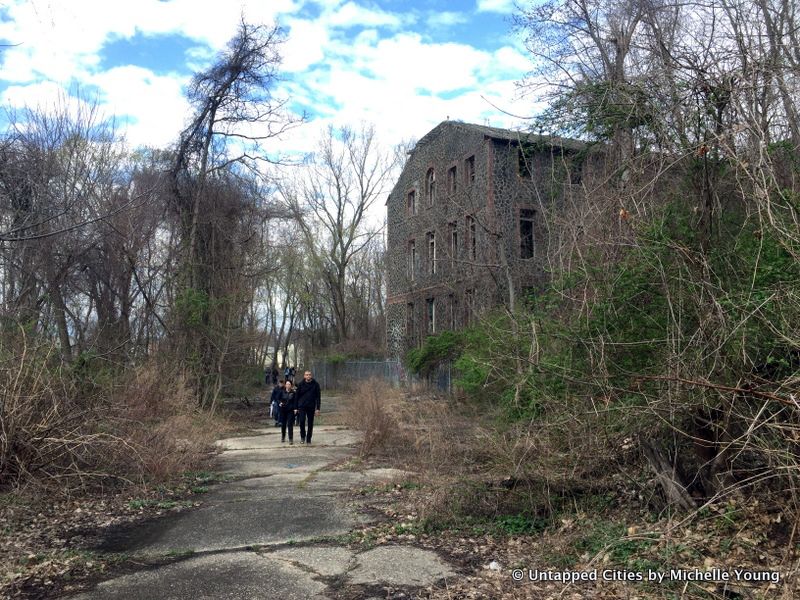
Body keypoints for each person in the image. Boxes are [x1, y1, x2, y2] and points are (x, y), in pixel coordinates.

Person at [295, 370, 321, 445]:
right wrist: (296, 407)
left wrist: (318, 408)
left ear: (311, 376)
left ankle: (309, 438)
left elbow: (318, 397)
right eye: (306, 375)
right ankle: (303, 436)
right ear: (304, 376)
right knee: (302, 421)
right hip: (302, 406)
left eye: (309, 374)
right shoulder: (300, 384)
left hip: (311, 406)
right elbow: (296, 396)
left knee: (310, 423)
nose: (308, 376)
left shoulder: (316, 385)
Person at [278, 380, 297, 444]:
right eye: (287, 384)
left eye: (289, 384)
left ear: (291, 385)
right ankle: (283, 436)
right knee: (283, 425)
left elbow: (295, 401)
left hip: (290, 410)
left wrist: (295, 409)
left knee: (290, 424)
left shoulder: (293, 393)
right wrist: (280, 402)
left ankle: (290, 438)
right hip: (283, 410)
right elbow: (277, 399)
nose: (288, 385)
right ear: (285, 385)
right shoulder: (282, 392)